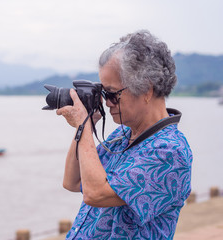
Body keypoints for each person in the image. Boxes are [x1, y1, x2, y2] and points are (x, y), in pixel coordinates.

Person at [56, 30, 192, 239]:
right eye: (102, 93)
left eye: (111, 94)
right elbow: (72, 182)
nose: (106, 102)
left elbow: (96, 193)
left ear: (146, 90)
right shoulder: (122, 136)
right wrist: (86, 125)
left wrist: (83, 127)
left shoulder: (170, 151)